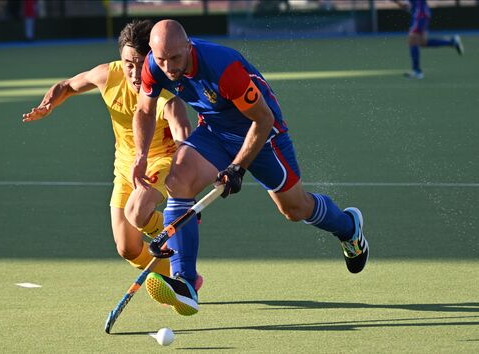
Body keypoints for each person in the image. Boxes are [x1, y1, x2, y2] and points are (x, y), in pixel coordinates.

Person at [132, 20, 369, 316]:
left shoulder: (224, 68)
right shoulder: (154, 66)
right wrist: (140, 155)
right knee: (178, 180)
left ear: (188, 46)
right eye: (161, 59)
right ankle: (186, 283)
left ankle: (349, 227)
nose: (168, 66)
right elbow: (144, 110)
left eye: (175, 58)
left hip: (263, 135)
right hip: (215, 131)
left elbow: (263, 119)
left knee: (294, 209)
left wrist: (237, 168)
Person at [22, 20, 202, 287]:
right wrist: (48, 104)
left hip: (162, 161)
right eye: (129, 63)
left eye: (141, 63)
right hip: (125, 166)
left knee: (138, 212)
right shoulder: (108, 75)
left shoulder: (164, 89)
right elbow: (68, 85)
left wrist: (188, 168)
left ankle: (176, 235)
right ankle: (181, 279)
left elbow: (181, 127)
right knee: (127, 248)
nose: (134, 71)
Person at [394, 0, 464, 79]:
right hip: (419, 12)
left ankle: (417, 71)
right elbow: (406, 6)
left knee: (412, 39)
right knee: (422, 42)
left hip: (420, 13)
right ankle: (452, 42)